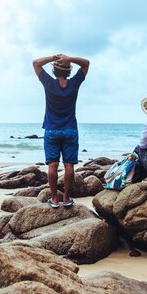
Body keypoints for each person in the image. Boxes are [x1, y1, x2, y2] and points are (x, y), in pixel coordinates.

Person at [33, 53, 89, 208]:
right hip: (70, 129)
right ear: (69, 71)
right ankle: (66, 198)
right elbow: (86, 63)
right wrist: (70, 59)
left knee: (52, 165)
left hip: (51, 130)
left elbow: (36, 63)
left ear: (55, 71)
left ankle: (54, 199)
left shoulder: (49, 83)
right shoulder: (74, 84)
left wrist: (53, 58)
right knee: (69, 165)